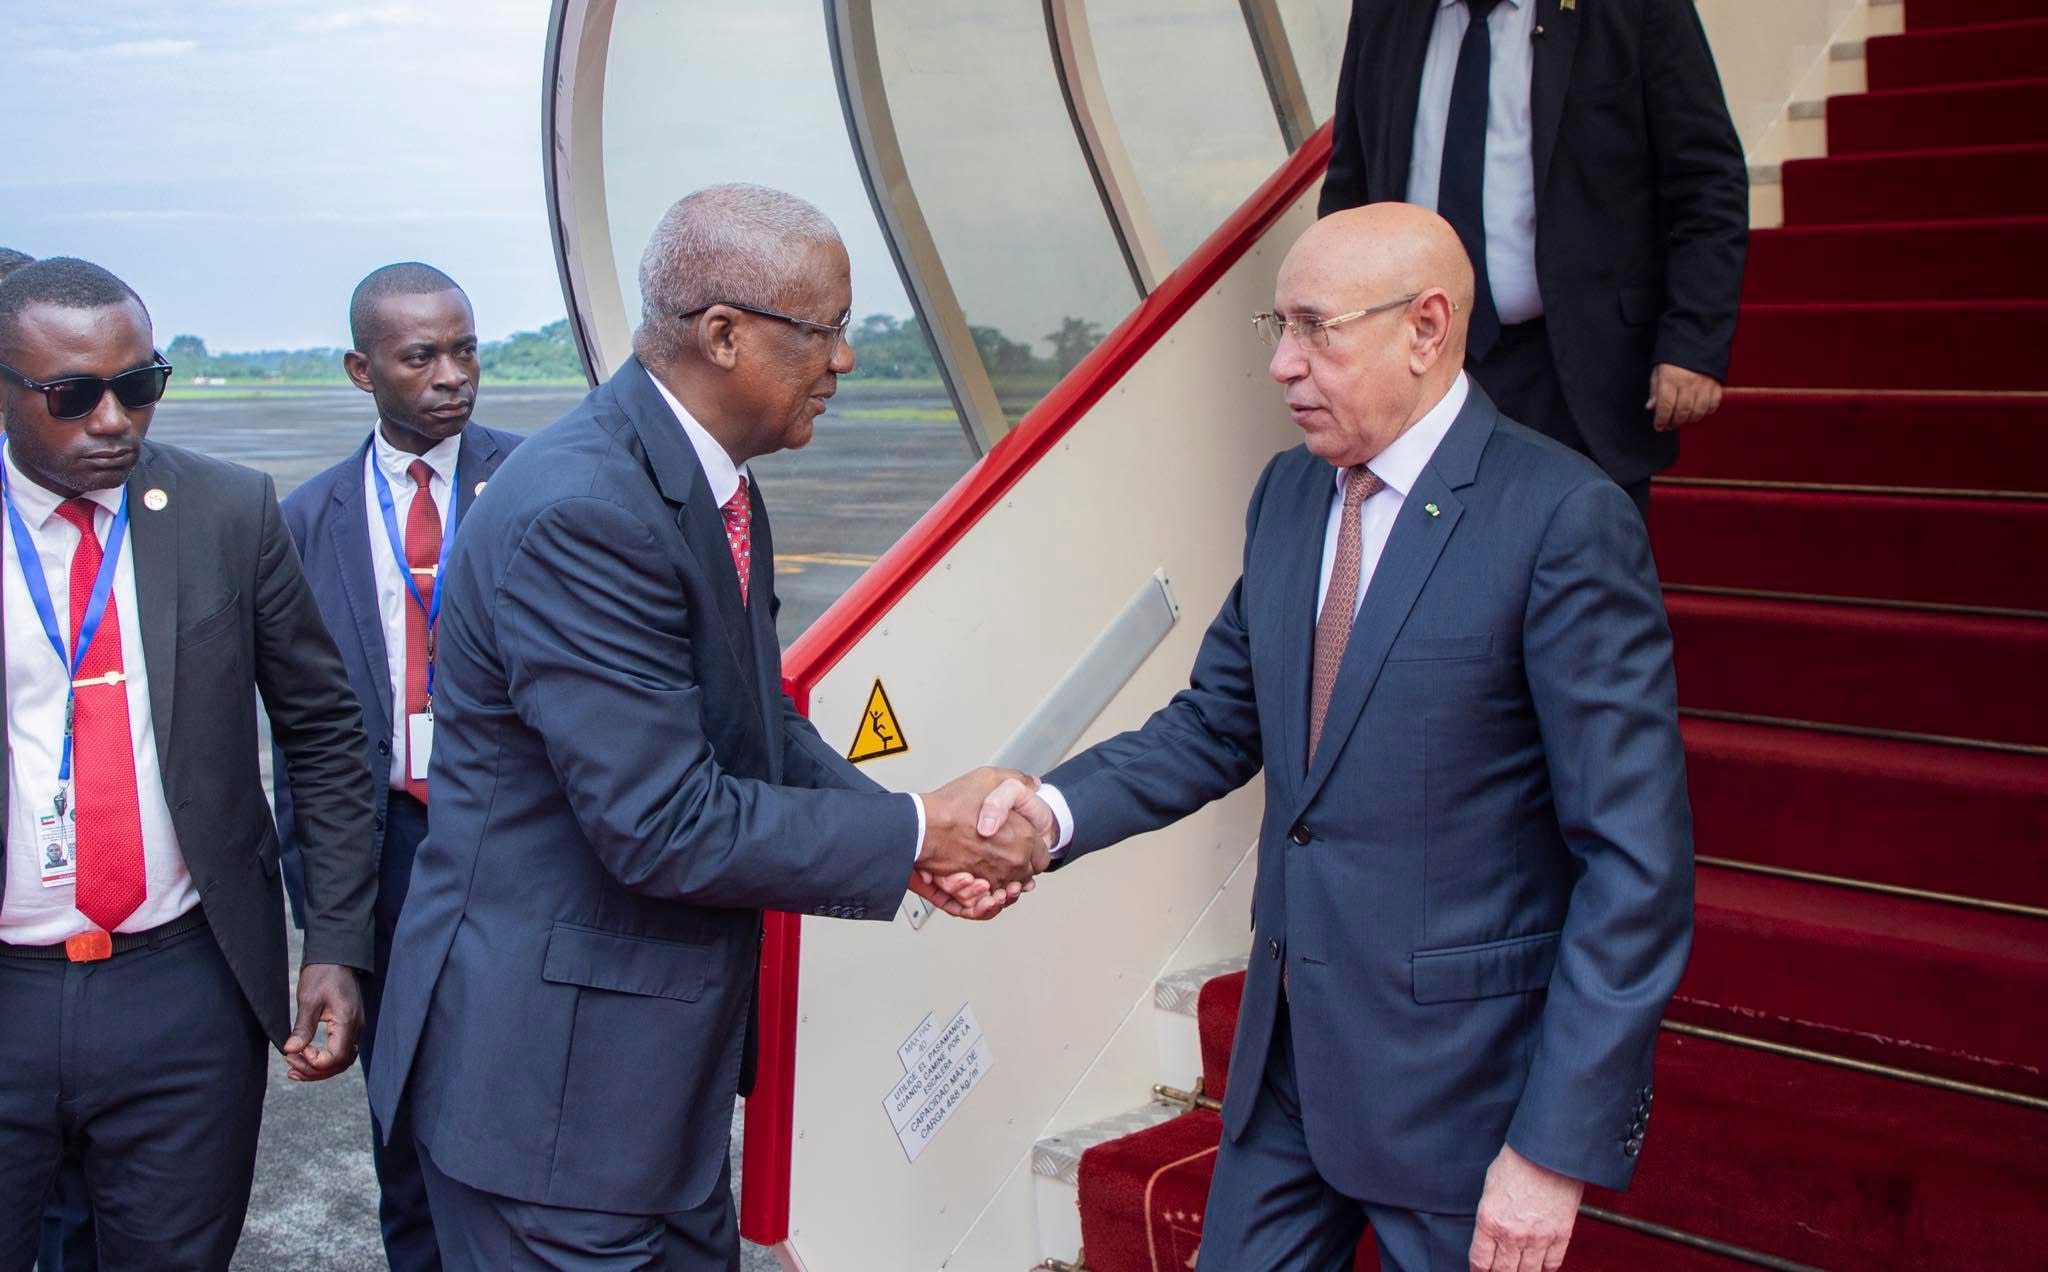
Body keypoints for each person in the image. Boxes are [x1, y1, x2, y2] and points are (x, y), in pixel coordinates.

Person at [979, 205, 1693, 1270]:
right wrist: (1047, 814)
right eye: (1280, 326)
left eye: (1316, 328)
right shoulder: (1288, 495)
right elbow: (1216, 722)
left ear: (1426, 327)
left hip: (1462, 1097)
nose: (1281, 363)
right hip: (1288, 1071)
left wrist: (1553, 1148)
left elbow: (1634, 868)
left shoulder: (1560, 520)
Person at [368, 184, 1042, 1270]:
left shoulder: (707, 481)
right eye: (824, 329)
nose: (845, 359)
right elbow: (662, 824)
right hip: (555, 1107)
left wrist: (908, 840)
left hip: (650, 1092)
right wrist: (921, 829)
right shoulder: (585, 510)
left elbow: (755, 722)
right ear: (722, 334)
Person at [0, 258, 377, 1269]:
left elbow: (323, 730)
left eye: (139, 385)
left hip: (181, 987)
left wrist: (335, 941)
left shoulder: (227, 511)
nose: (113, 420)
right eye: (72, 396)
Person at [271, 262, 520, 1272]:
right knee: (406, 1123)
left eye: (465, 351)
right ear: (360, 369)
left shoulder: (541, 480)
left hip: (515, 842)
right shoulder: (304, 520)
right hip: (389, 855)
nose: (452, 375)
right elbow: (298, 738)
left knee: (522, 1107)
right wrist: (324, 921)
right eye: (420, 357)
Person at [1319, 0, 1748, 512]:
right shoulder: (1383, 12)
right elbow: (1349, 190)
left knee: (1581, 555)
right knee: (1431, 559)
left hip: (1576, 370)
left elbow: (1706, 182)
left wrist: (1694, 339)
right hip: (1414, 367)